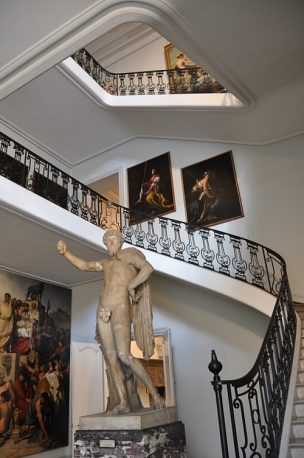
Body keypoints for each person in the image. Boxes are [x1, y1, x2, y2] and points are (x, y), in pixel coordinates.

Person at [57, 229, 164, 414]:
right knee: (112, 358)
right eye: (107, 242)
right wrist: (67, 253)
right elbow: (83, 265)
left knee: (124, 355)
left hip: (121, 306)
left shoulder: (130, 256)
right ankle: (123, 402)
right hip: (102, 310)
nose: (109, 244)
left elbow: (148, 268)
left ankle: (155, 395)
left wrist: (131, 285)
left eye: (112, 240)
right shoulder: (105, 263)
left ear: (120, 241)